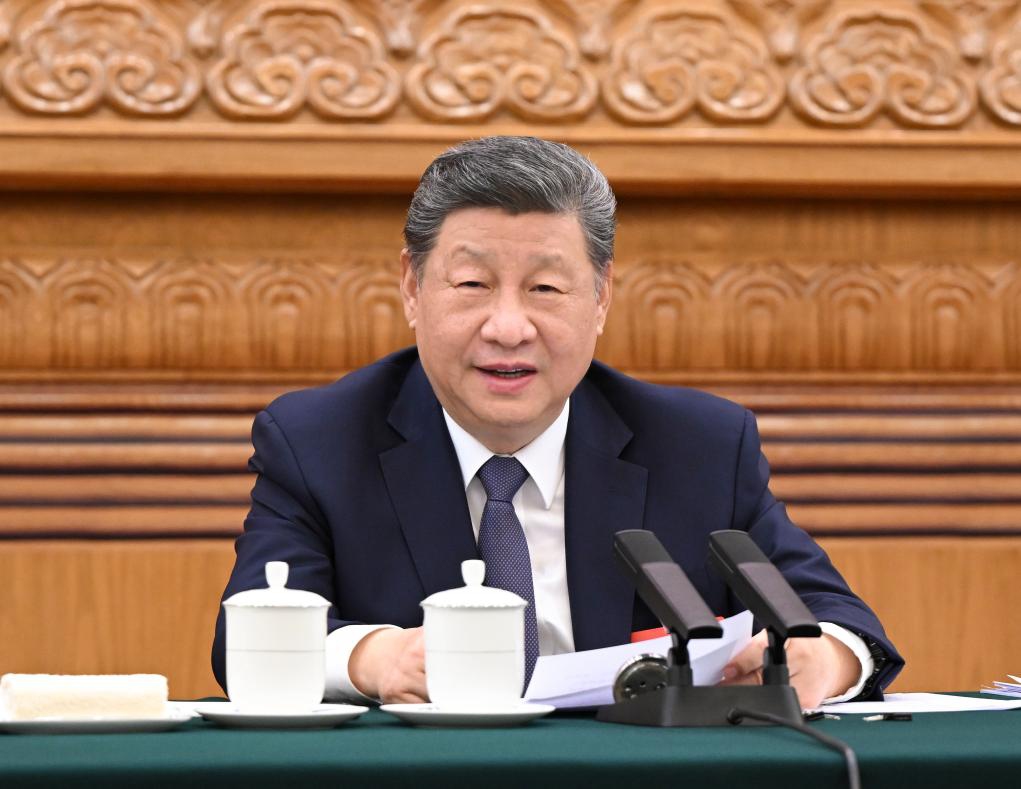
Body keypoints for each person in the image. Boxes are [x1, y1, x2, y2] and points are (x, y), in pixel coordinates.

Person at [212, 136, 903, 708]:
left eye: (545, 288)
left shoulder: (698, 445)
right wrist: (373, 656)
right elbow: (242, 638)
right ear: (411, 288)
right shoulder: (318, 440)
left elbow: (841, 623)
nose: (508, 327)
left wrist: (824, 660)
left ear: (600, 299)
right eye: (472, 285)